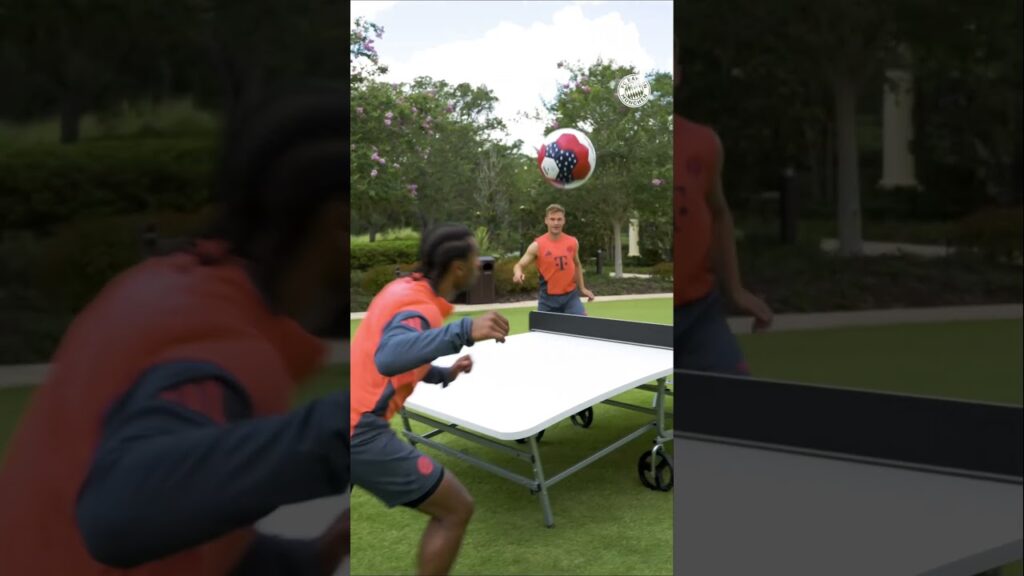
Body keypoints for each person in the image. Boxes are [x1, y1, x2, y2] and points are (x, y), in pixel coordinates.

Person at [0, 83, 351, 575]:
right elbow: (121, 508)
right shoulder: (221, 345)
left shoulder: (159, 288)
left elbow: (187, 524)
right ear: (340, 222)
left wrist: (309, 558)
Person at [350, 224, 510, 576]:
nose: (479, 263)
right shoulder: (419, 307)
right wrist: (464, 331)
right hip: (358, 431)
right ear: (458, 268)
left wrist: (443, 373)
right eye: (474, 257)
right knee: (456, 509)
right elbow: (389, 357)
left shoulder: (402, 288)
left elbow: (402, 356)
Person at [674, 32, 774, 375]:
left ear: (676, 74)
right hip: (646, 320)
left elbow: (718, 214)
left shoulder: (704, 143)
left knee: (735, 407)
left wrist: (736, 290)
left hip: (700, 313)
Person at [512, 204, 596, 315]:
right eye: (552, 219)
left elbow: (577, 265)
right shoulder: (537, 245)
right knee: (543, 332)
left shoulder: (573, 242)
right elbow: (519, 265)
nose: (556, 223)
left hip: (570, 298)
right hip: (548, 300)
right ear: (546, 220)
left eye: (559, 219)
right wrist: (518, 274)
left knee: (581, 327)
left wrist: (582, 288)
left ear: (564, 221)